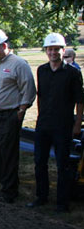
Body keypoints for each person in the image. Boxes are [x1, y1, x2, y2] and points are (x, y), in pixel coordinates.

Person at [27, 33, 84, 212]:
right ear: (46, 51)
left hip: (63, 125)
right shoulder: (42, 70)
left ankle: (62, 202)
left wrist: (77, 124)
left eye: (56, 49)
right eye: (50, 49)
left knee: (63, 164)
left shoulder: (73, 73)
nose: (52, 52)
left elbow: (80, 101)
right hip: (44, 124)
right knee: (40, 162)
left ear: (63, 50)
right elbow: (41, 96)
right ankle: (41, 196)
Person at [0, 28, 36, 203]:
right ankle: (1, 184)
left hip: (10, 115)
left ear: (4, 45)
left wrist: (21, 111)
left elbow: (28, 90)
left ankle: (10, 191)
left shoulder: (18, 64)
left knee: (9, 153)